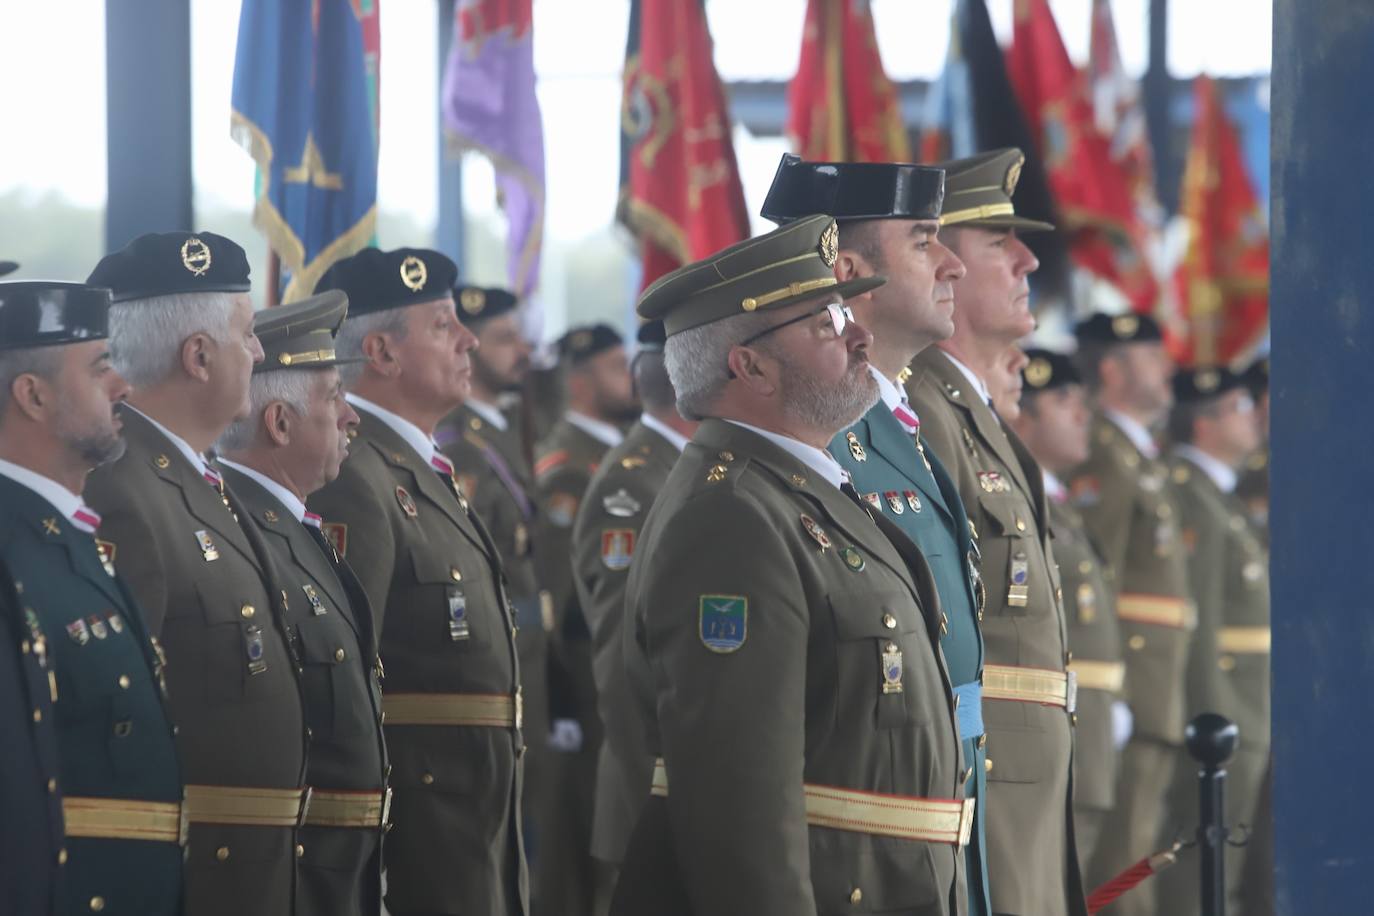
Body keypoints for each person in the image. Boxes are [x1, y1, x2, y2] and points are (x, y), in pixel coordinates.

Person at [611, 214, 969, 916]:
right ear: (750, 365)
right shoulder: (732, 517)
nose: (861, 334)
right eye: (830, 322)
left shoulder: (798, 488)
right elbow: (735, 800)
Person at [761, 152, 995, 916]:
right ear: (849, 268)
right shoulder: (819, 439)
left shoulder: (899, 423)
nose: (953, 264)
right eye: (925, 240)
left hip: (940, 802)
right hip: (867, 832)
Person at [83, 231, 308, 916]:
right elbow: (109, 730)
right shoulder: (123, 491)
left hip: (255, 872)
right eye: (248, 334)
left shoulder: (198, 479)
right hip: (197, 878)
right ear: (199, 356)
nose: (262, 352)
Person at [308, 247, 527, 916]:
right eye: (442, 325)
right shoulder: (357, 476)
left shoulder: (416, 467)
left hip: (464, 821)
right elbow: (342, 688)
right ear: (381, 351)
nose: (467, 340)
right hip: (412, 839)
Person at [904, 149, 1087, 916]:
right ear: (942, 264)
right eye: (997, 241)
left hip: (1025, 773)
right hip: (986, 772)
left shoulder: (972, 413)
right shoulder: (927, 411)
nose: (1027, 258)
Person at [0, 279, 182, 915]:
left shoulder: (64, 537)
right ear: (33, 395)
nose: (122, 386)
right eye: (100, 367)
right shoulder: (13, 550)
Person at [215, 291, 389, 916]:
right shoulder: (242, 533)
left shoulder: (292, 528)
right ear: (280, 424)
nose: (352, 417)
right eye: (334, 398)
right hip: (292, 875)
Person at [1067, 312, 1194, 915]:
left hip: (1151, 690)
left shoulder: (1138, 458)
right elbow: (1098, 579)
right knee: (1120, 873)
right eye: (1151, 354)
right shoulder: (1105, 455)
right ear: (1112, 370)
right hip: (1127, 690)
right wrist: (1112, 690)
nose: (1168, 366)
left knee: (1139, 857)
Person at [569, 318, 696, 913]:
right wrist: (663, 795)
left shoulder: (681, 469)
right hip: (653, 800)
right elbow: (621, 662)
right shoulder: (633, 485)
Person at [434, 285, 554, 894]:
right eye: (505, 340)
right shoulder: (462, 443)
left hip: (528, 654)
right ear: (472, 346)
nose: (522, 352)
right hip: (495, 656)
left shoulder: (504, 430)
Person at [1154, 366, 1269, 916]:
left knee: (1235, 867)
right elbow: (1193, 620)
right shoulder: (1191, 496)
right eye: (1240, 407)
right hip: (1224, 712)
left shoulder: (1219, 497)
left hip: (1247, 708)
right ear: (1204, 425)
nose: (1254, 419)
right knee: (1206, 873)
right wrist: (1211, 713)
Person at [533, 322, 639, 915]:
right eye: (613, 364)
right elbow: (557, 597)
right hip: (584, 679)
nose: (629, 374)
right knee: (586, 848)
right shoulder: (570, 462)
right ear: (578, 381)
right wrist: (563, 700)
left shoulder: (612, 451)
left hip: (610, 680)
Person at [1008, 349, 1127, 870]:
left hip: (1089, 724)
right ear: (1021, 416)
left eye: (1082, 401)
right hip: (1057, 727)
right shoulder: (1025, 500)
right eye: (1063, 401)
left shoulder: (1059, 503)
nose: (1083, 415)